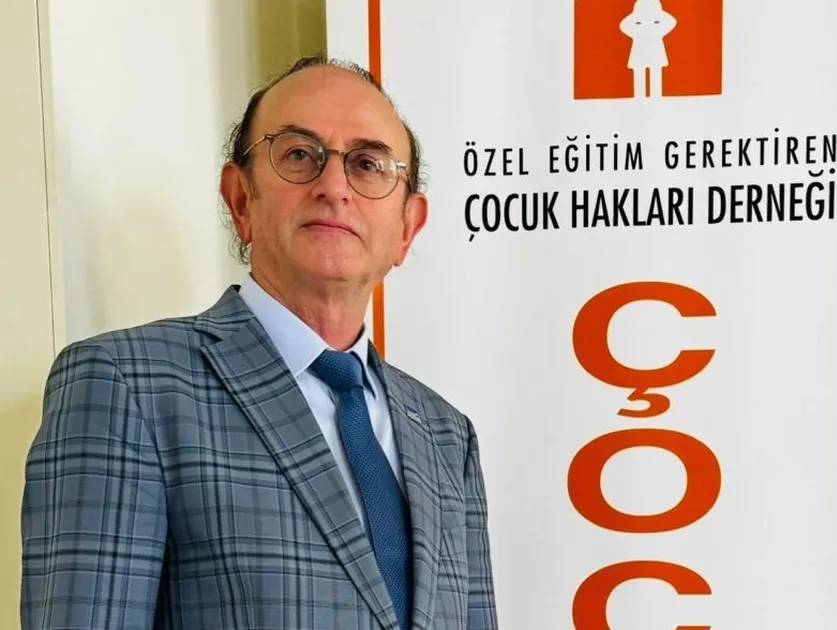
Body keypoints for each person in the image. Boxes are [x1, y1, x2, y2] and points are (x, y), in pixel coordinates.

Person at [20, 56, 499, 630]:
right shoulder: (127, 387)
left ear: (407, 228)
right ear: (241, 199)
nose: (334, 187)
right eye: (298, 154)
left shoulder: (447, 435)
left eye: (368, 164)